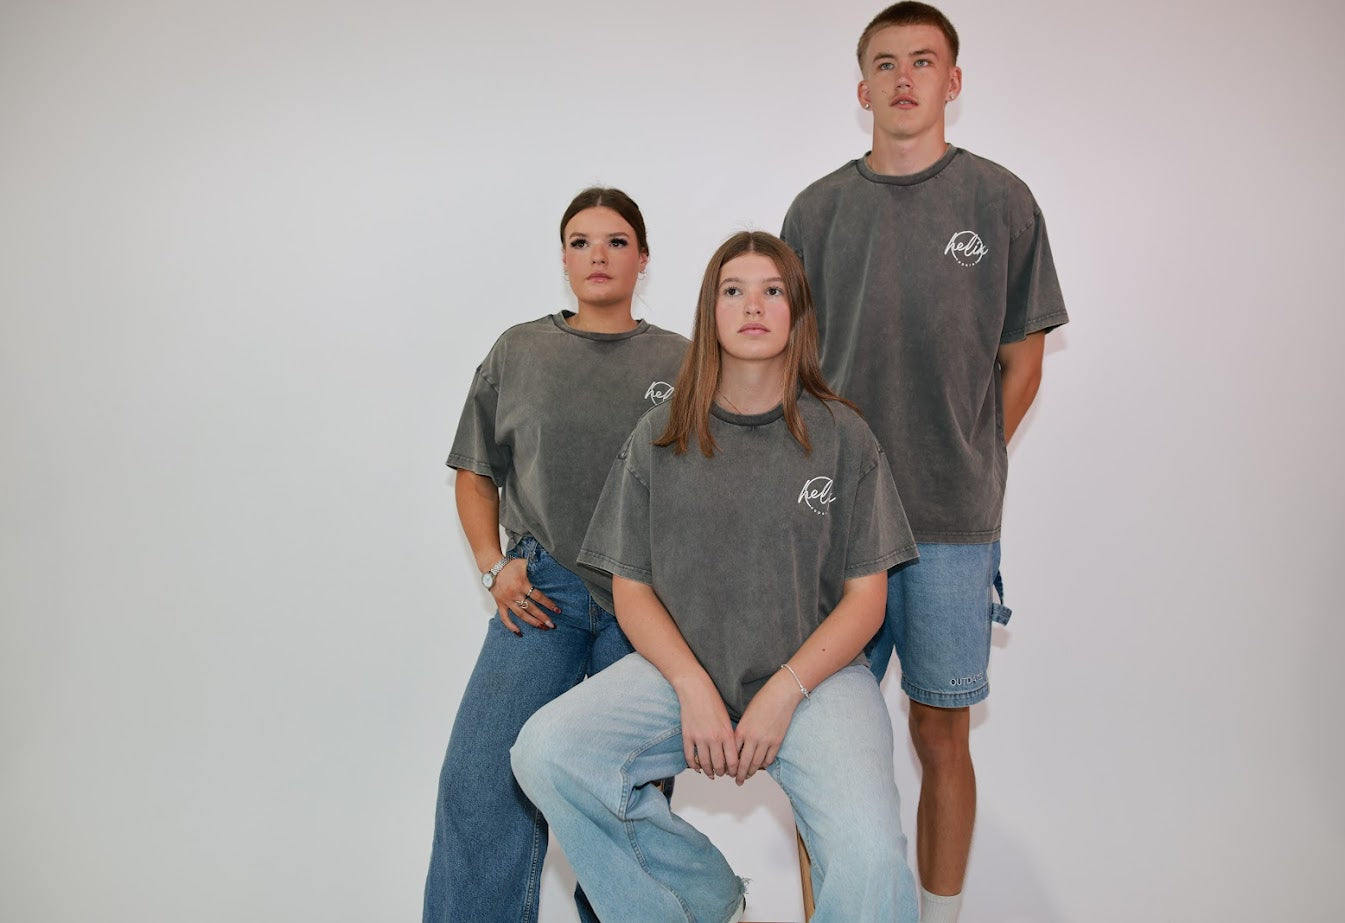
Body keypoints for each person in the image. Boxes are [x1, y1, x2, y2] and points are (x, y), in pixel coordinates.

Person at [511, 231, 922, 923]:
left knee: (872, 857)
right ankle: (701, 901)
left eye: (772, 291)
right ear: (711, 310)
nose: (752, 305)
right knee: (547, 752)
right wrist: (692, 684)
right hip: (682, 673)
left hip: (815, 682)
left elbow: (866, 599)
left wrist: (783, 692)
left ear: (796, 313)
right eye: (734, 290)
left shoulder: (844, 435)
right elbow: (632, 587)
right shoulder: (658, 435)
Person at [779, 4, 1070, 920]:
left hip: (949, 523)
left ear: (953, 80)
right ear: (860, 86)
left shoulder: (1000, 202)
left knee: (941, 734)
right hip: (835, 529)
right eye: (884, 63)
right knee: (819, 745)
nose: (903, 78)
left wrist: (969, 454)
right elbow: (784, 366)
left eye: (922, 61)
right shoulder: (815, 212)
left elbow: (1023, 364)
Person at [423, 187, 689, 923]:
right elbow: (474, 471)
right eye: (580, 242)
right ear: (564, 258)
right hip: (541, 595)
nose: (598, 255)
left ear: (642, 257)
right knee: (479, 783)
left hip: (647, 605)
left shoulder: (685, 360)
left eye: (615, 241)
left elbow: (712, 488)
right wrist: (492, 564)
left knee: (621, 801)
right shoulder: (520, 350)